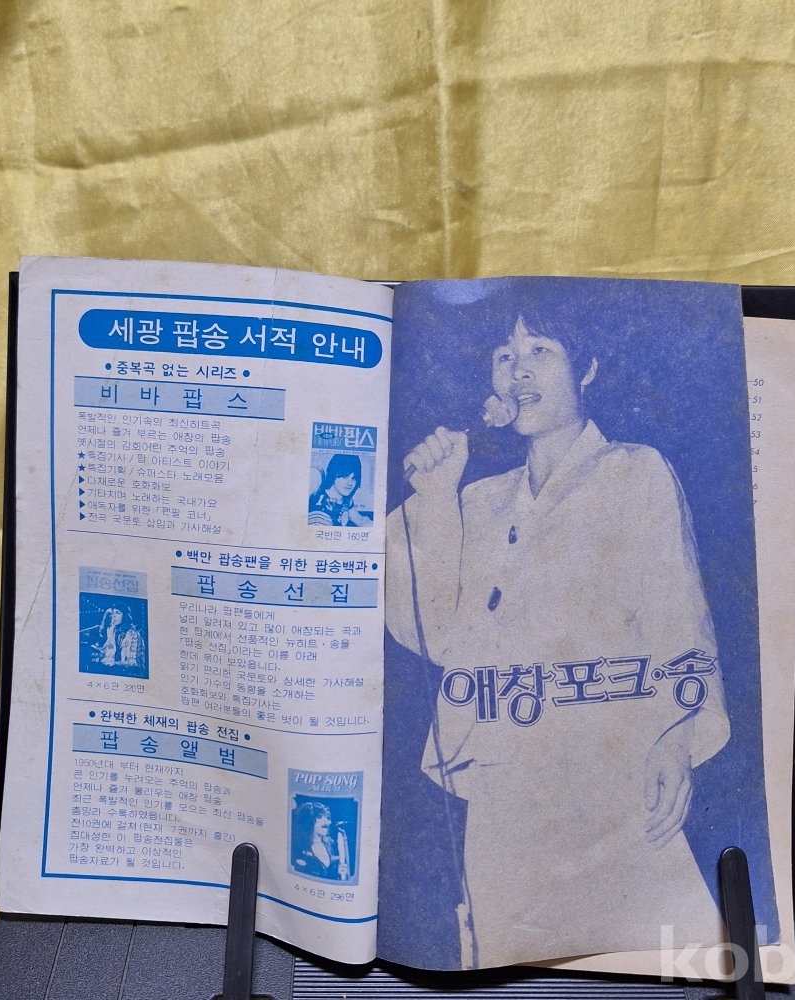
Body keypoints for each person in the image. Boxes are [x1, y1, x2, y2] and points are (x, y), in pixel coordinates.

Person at [385, 313, 731, 968]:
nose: (518, 370)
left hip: (612, 772)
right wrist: (435, 495)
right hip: (502, 788)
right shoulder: (479, 500)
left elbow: (679, 615)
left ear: (588, 369)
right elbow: (436, 634)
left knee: (648, 955)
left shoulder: (634, 471)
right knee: (515, 965)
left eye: (540, 350)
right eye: (503, 355)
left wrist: (675, 737)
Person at [308, 453, 371, 527]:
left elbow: (360, 520)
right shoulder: (320, 510)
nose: (350, 483)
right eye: (344, 477)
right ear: (333, 474)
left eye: (353, 478)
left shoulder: (345, 499)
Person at [291, 801, 340, 879]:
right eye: (320, 816)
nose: (327, 821)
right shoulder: (299, 846)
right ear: (309, 821)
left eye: (327, 817)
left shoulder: (329, 844)